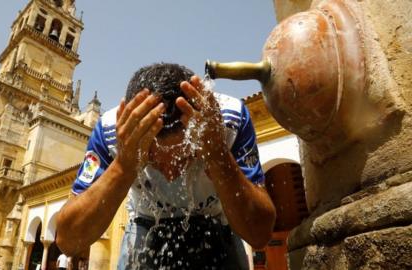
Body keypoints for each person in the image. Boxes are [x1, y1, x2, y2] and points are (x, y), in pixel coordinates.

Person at [56, 63, 276, 269]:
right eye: (153, 157)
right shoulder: (112, 132)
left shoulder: (228, 122)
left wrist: (218, 155)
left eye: (184, 155)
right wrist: (123, 165)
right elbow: (69, 241)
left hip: (217, 223)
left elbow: (259, 234)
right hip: (145, 225)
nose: (171, 172)